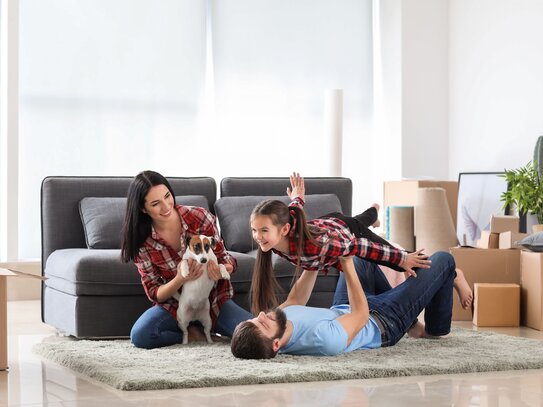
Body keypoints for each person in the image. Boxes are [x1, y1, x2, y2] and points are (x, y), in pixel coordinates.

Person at [249, 172, 432, 314]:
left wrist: (401, 258)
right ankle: (373, 213)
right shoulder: (277, 239)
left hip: (347, 231)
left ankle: (451, 272)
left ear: (284, 230)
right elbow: (294, 209)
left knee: (400, 263)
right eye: (254, 230)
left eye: (264, 230)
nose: (258, 236)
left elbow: (357, 246)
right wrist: (297, 197)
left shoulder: (316, 246)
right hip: (329, 223)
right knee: (361, 219)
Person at [231, 251, 465, 358]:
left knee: (363, 255)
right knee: (444, 260)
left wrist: (314, 264)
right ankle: (435, 330)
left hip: (343, 309)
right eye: (262, 323)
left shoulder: (279, 322)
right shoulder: (323, 340)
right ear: (275, 345)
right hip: (381, 321)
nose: (263, 314)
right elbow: (361, 314)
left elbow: (295, 300)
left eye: (255, 317)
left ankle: (412, 322)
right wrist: (346, 264)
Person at [120, 170, 251, 349]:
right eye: (156, 203)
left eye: (167, 196)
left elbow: (226, 259)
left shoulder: (199, 217)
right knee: (141, 336)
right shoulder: (142, 242)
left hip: (213, 303)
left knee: (254, 333)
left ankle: (206, 328)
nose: (166, 206)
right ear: (143, 209)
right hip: (176, 307)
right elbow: (154, 292)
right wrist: (180, 279)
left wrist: (222, 269)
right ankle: (192, 334)